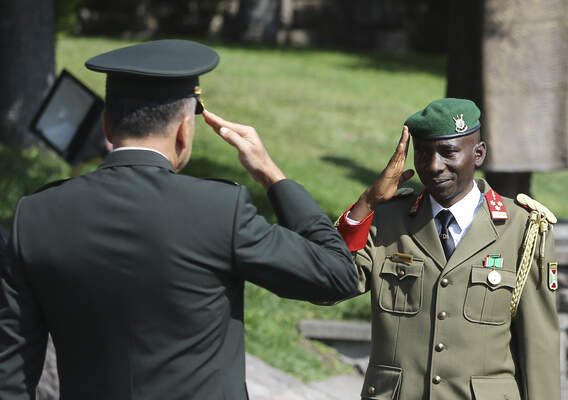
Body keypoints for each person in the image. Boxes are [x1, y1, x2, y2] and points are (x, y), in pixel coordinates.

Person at [0, 40, 358, 400]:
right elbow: (335, 275)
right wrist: (270, 174)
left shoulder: (35, 215)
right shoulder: (218, 210)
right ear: (185, 130)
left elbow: (12, 374)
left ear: (107, 126)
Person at [335, 98, 560, 399]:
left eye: (448, 152)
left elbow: (539, 347)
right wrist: (367, 203)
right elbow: (331, 285)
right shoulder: (387, 220)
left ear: (478, 153)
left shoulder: (523, 229)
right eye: (424, 153)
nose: (434, 166)